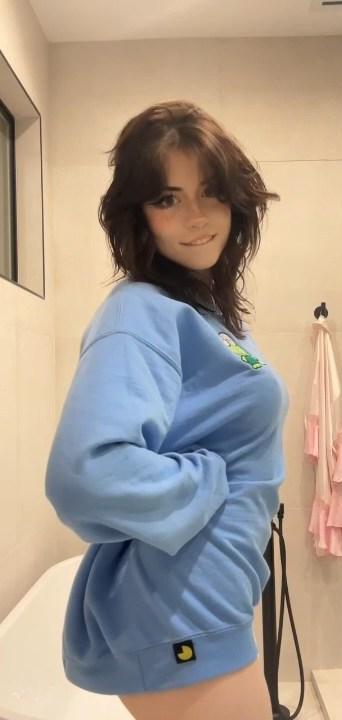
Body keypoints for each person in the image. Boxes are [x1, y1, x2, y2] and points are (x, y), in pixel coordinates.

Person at [45, 100, 289, 720]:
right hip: (181, 607)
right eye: (167, 198)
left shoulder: (203, 311)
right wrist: (206, 481)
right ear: (138, 215)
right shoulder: (140, 310)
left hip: (209, 593)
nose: (196, 217)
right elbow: (85, 477)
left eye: (210, 192)